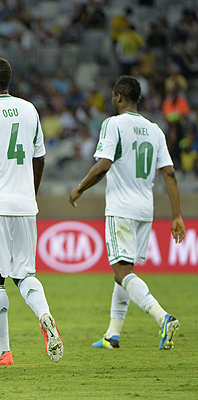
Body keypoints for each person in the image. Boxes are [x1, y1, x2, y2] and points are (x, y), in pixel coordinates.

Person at [69, 75, 185, 350]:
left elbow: (103, 164)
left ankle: (162, 317)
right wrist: (177, 215)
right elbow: (169, 173)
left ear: (118, 98)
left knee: (121, 271)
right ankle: (112, 334)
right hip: (146, 209)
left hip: (121, 207)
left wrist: (79, 189)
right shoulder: (155, 129)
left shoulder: (113, 124)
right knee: (124, 270)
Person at [0, 56, 63, 365]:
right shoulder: (30, 109)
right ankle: (45, 314)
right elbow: (40, 158)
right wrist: (29, 195)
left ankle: (4, 351)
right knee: (25, 273)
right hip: (24, 205)